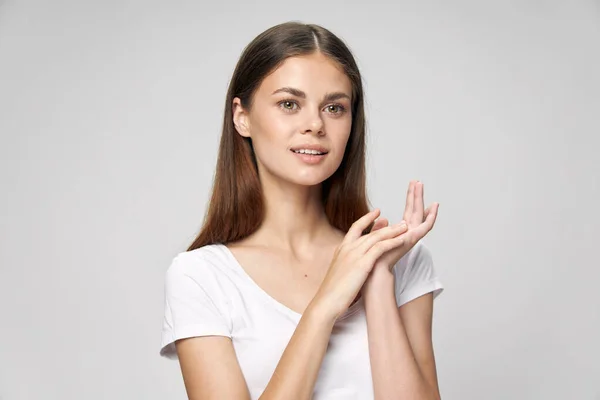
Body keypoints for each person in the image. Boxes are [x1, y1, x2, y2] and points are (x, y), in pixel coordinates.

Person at [159, 21, 444, 400]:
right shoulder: (201, 277)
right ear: (241, 116)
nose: (315, 125)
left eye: (334, 107)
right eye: (289, 104)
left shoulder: (401, 262)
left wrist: (376, 279)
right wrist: (325, 305)